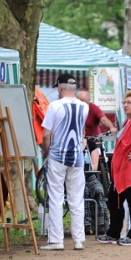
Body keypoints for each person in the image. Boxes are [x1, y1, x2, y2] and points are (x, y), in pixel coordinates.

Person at [41, 74, 89, 251]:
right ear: (74, 88)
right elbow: (81, 131)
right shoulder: (84, 107)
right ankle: (78, 240)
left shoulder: (55, 105)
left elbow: (46, 134)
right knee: (77, 198)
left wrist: (46, 152)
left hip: (57, 156)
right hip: (76, 157)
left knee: (56, 197)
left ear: (60, 88)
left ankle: (57, 240)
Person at [97, 90, 131, 246]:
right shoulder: (129, 120)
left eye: (129, 103)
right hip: (123, 170)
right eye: (124, 103)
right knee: (115, 201)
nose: (125, 105)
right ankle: (113, 233)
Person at [77, 90, 118, 170]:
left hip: (92, 140)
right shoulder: (74, 109)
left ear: (89, 101)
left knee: (95, 160)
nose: (82, 104)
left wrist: (111, 127)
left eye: (84, 102)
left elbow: (103, 119)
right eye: (79, 101)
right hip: (79, 140)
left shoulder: (93, 108)